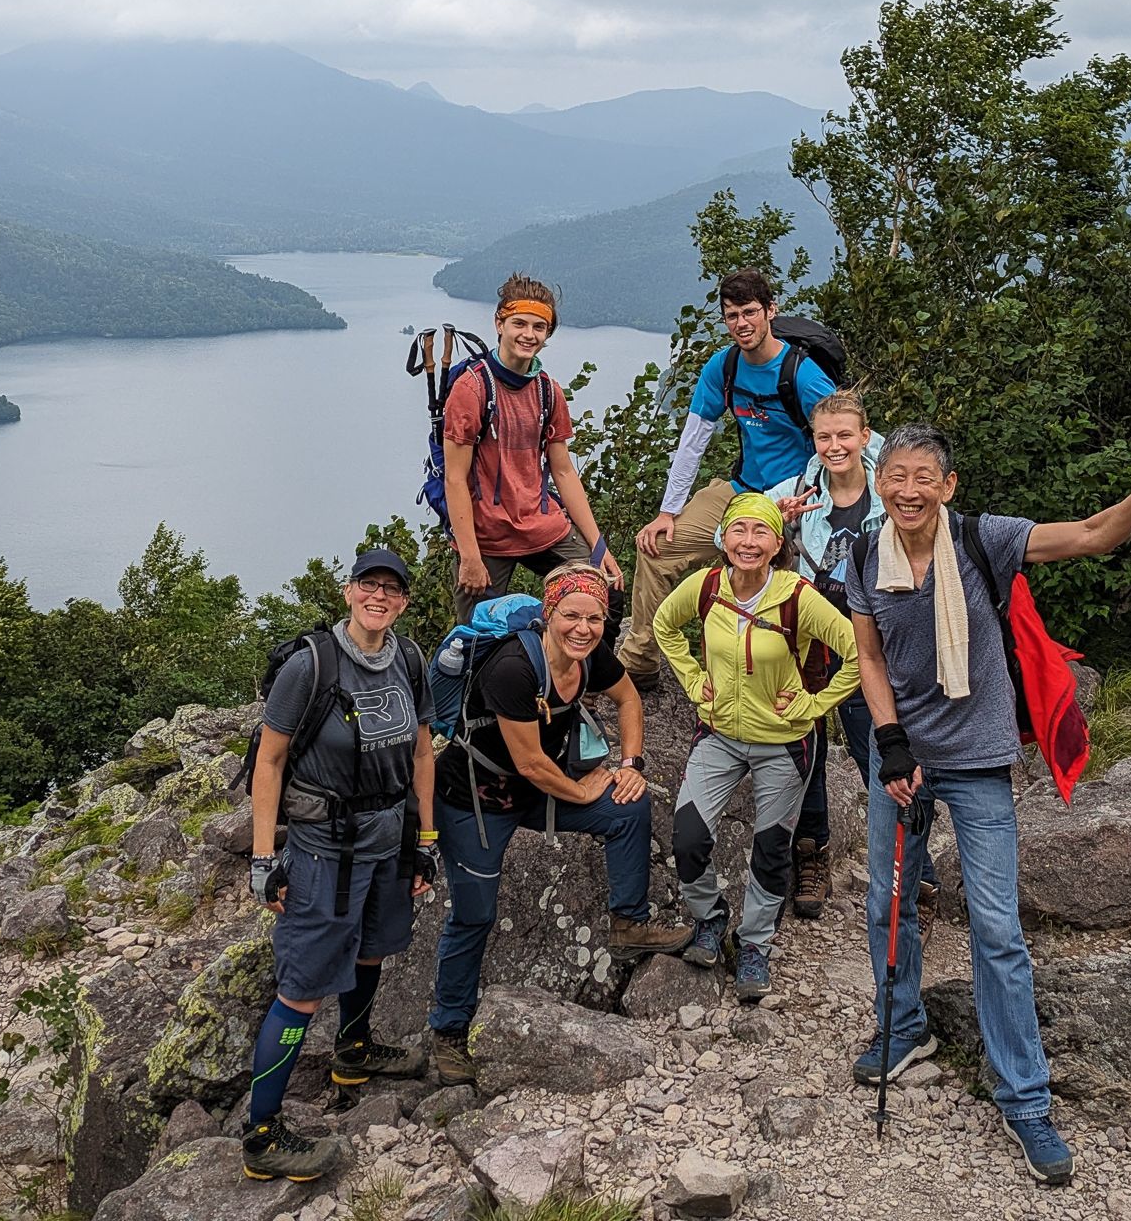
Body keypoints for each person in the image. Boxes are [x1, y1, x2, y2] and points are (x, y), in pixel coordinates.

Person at [846, 424, 1131, 1187]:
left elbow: (1094, 536)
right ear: (881, 481)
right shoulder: (862, 555)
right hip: (901, 755)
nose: (907, 490)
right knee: (886, 905)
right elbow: (868, 657)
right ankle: (903, 1029)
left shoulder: (982, 539)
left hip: (980, 760)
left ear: (949, 485)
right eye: (895, 475)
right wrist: (890, 744)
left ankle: (1025, 1098)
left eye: (923, 476)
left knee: (997, 929)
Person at [428, 562, 691, 1085]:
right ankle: (449, 1030)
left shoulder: (589, 658)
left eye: (594, 618)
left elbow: (629, 698)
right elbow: (528, 762)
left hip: (536, 792)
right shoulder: (513, 669)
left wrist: (632, 766)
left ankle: (629, 924)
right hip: (475, 800)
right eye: (571, 615)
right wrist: (585, 788)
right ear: (549, 615)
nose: (583, 628)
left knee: (627, 806)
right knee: (474, 915)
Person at [238, 548, 437, 1184]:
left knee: (372, 950)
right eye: (369, 586)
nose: (380, 597)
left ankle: (352, 1050)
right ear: (349, 592)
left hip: (387, 839)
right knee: (300, 989)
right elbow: (268, 763)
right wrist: (264, 859)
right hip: (324, 849)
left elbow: (424, 752)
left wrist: (425, 838)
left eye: (393, 589)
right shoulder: (312, 665)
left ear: (404, 601)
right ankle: (262, 1135)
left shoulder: (409, 660)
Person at [653, 492, 860, 999]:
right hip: (719, 734)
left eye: (760, 532)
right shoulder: (704, 587)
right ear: (723, 538)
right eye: (738, 531)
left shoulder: (797, 596)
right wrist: (693, 678)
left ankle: (754, 945)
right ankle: (709, 918)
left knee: (771, 850)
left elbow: (855, 651)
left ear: (777, 543)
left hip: (784, 744)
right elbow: (663, 625)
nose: (748, 542)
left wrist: (813, 705)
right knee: (687, 837)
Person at [619, 268, 838, 690]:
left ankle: (790, 690)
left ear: (771, 311)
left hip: (794, 500)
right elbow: (693, 440)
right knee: (657, 547)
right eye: (732, 314)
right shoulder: (725, 366)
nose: (742, 323)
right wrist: (668, 511)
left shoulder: (804, 377)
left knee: (782, 591)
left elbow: (841, 443)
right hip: (740, 492)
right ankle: (639, 662)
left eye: (751, 312)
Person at [766, 389, 926, 919]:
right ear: (813, 440)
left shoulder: (890, 488)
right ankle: (812, 855)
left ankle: (912, 869)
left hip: (865, 638)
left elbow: (932, 530)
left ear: (863, 436)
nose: (834, 446)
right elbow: (730, 531)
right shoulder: (798, 487)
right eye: (823, 436)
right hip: (808, 640)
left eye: (843, 435)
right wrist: (776, 522)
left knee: (876, 749)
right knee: (804, 749)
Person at [442, 274, 623, 623]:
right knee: (478, 637)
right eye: (519, 323)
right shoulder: (472, 388)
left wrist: (599, 548)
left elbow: (564, 470)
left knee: (604, 591)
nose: (528, 334)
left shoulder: (547, 391)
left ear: (548, 333)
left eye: (539, 326)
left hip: (541, 527)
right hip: (487, 537)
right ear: (499, 323)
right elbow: (454, 478)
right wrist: (469, 557)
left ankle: (585, 676)